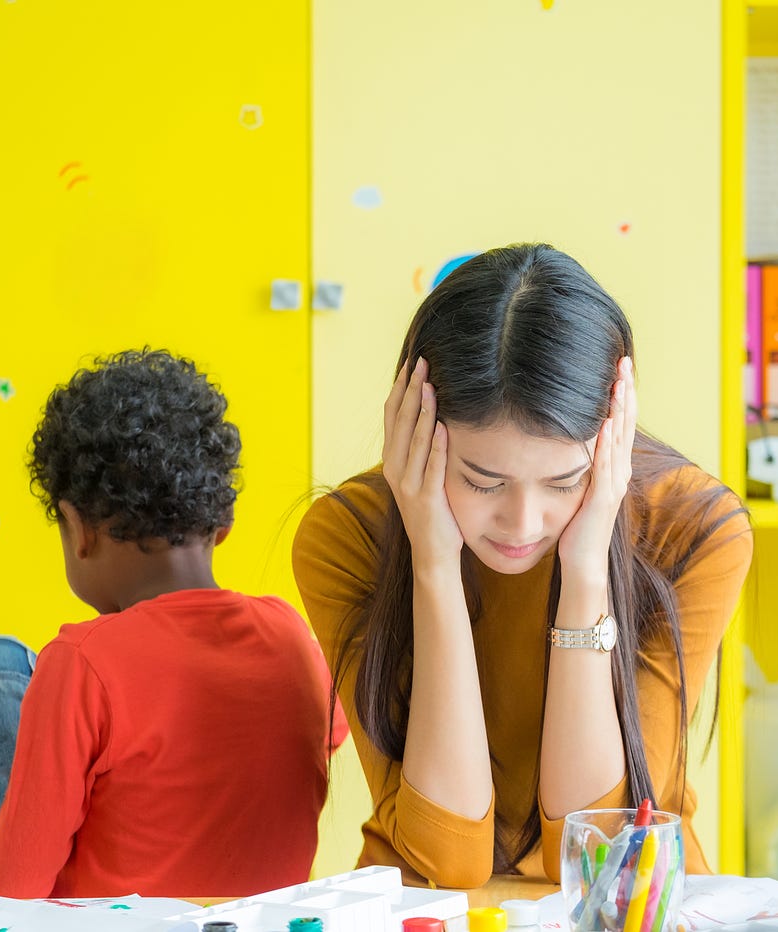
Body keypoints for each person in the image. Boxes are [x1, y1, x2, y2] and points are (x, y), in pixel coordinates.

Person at [292, 243, 752, 889]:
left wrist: (587, 565)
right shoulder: (347, 536)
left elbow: (598, 854)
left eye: (565, 482)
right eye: (481, 481)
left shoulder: (695, 527)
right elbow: (444, 858)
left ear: (614, 434)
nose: (522, 523)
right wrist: (433, 563)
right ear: (414, 427)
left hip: (629, 910)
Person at [0, 348, 347, 897]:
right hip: (254, 919)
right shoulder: (294, 638)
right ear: (222, 524)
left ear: (78, 530)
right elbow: (324, 736)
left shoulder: (83, 662)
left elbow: (15, 880)